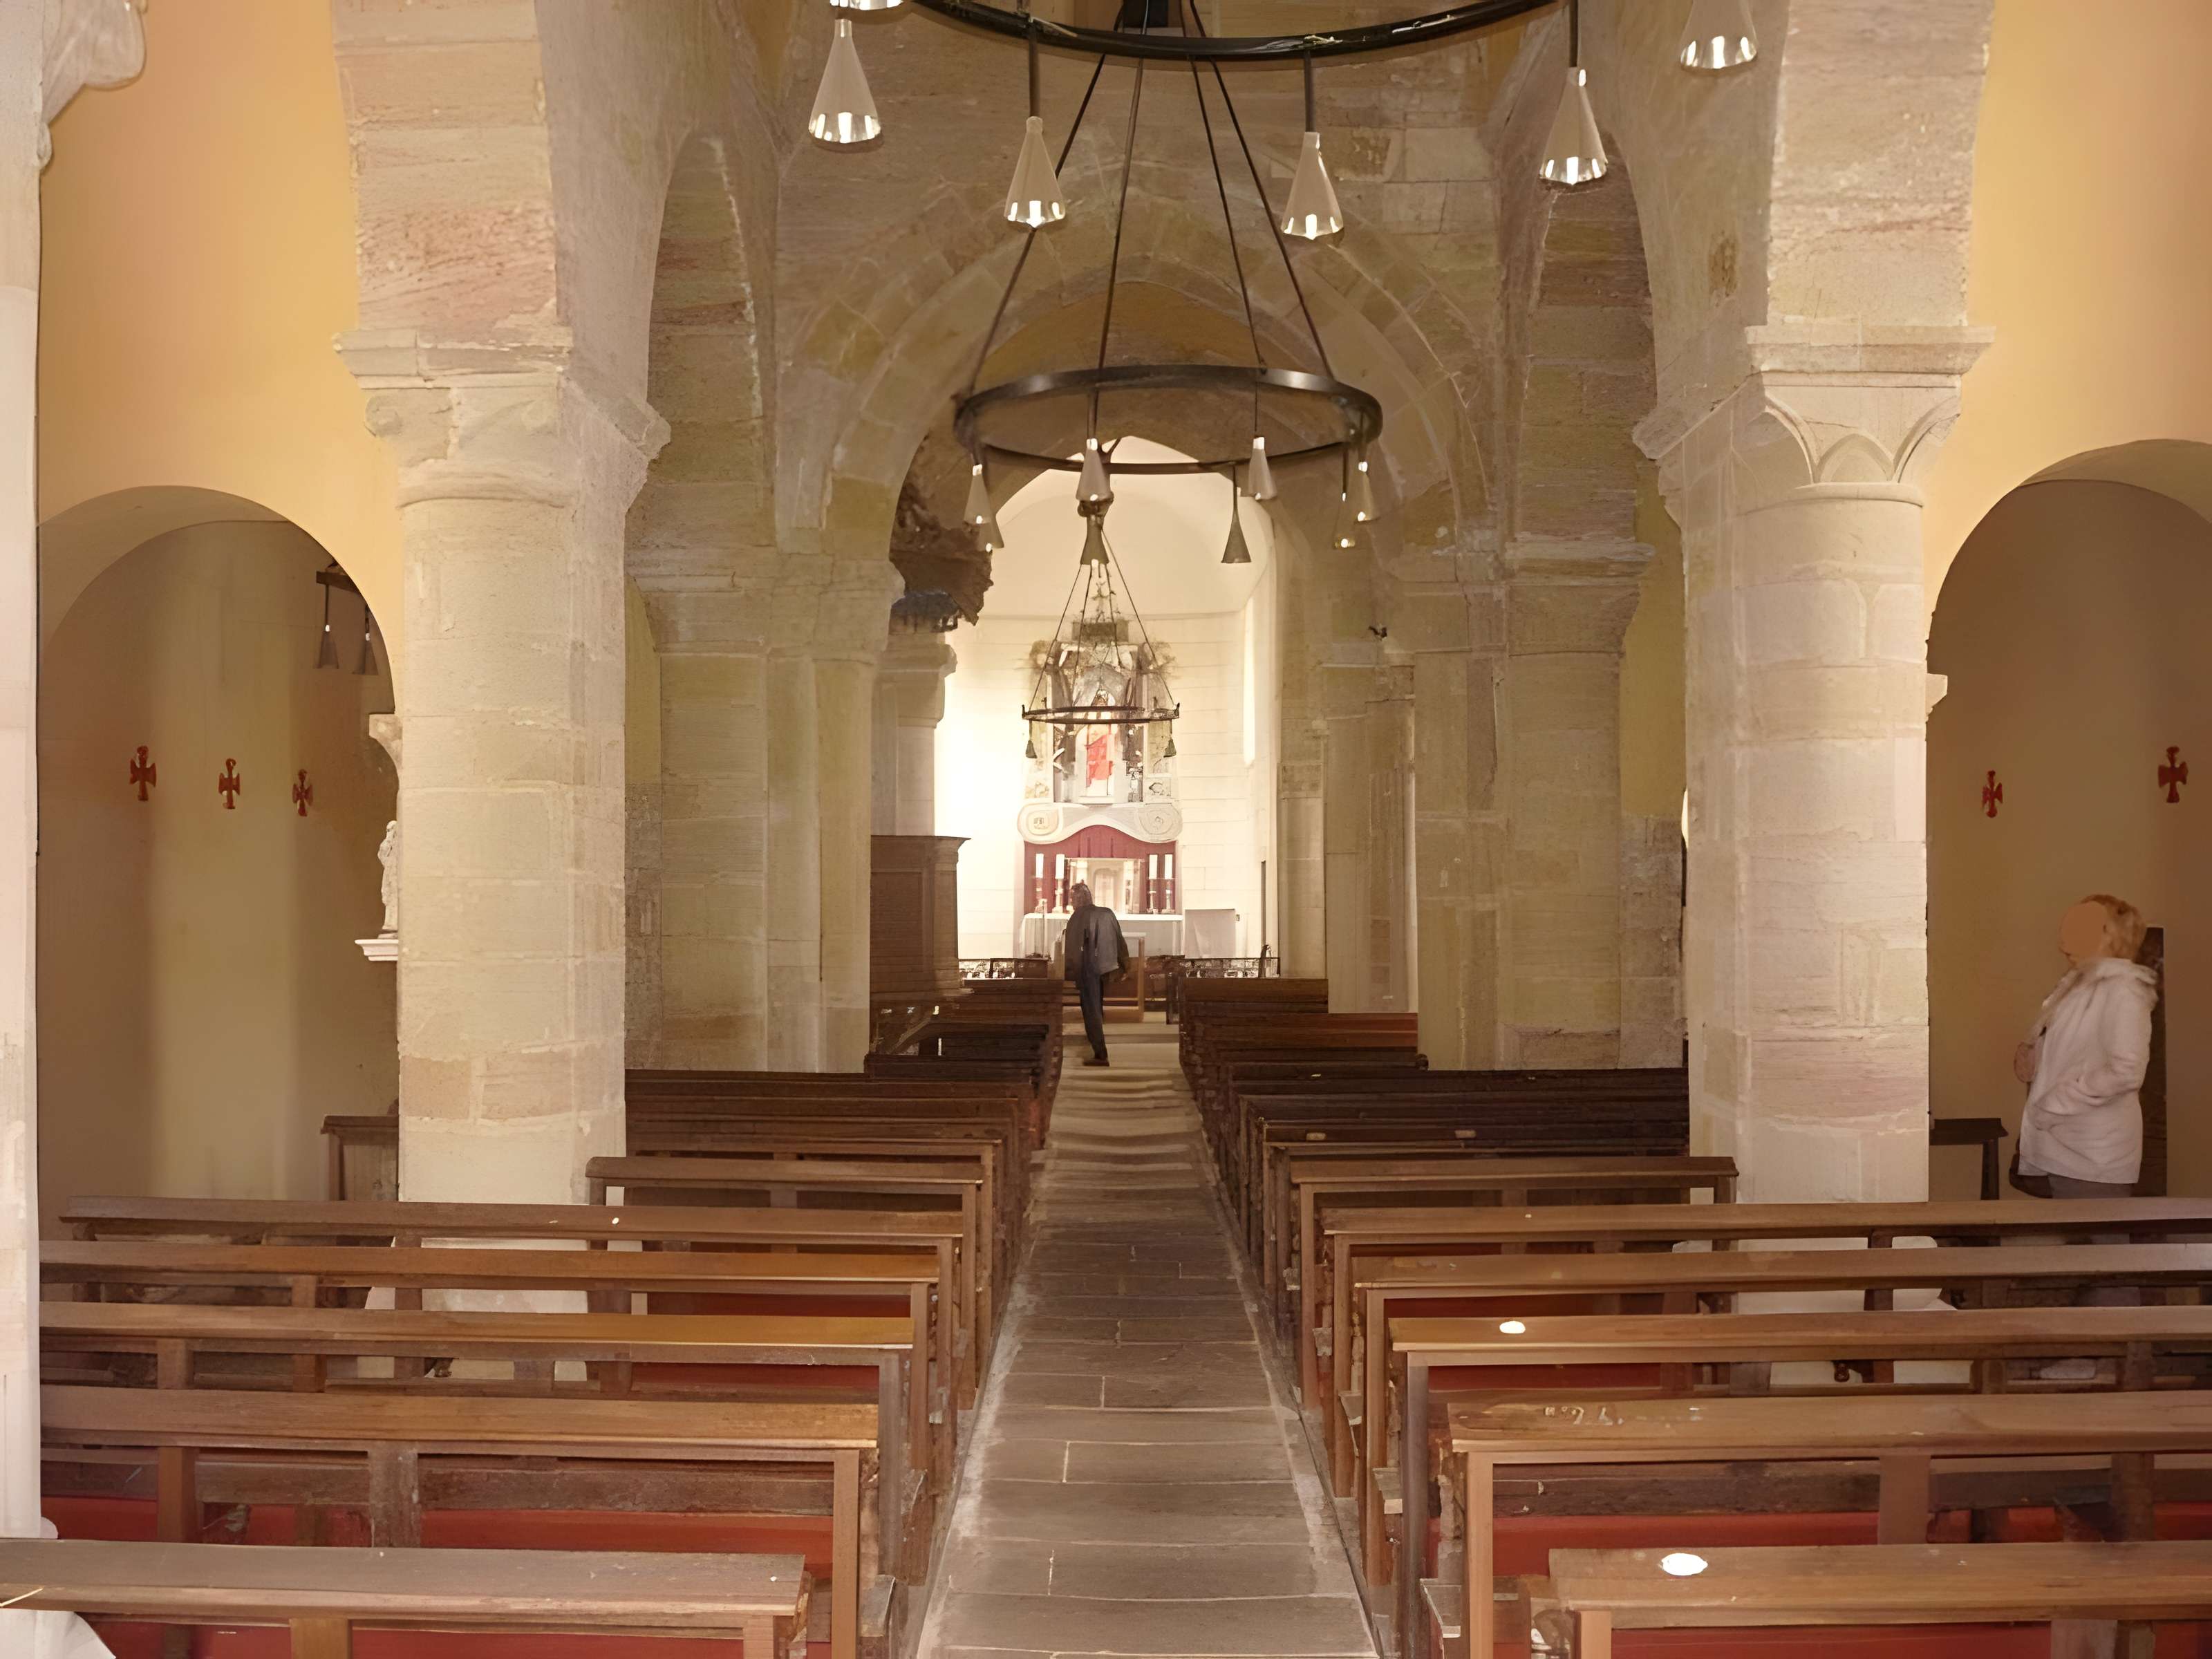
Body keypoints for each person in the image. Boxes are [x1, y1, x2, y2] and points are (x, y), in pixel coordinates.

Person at [2013, 893, 2157, 1320]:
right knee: (2087, 1253)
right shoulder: (2076, 985)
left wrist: (2056, 1102)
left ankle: (2118, 1357)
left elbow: (2126, 1070)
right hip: (2066, 1142)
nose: (2062, 937)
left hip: (2093, 1148)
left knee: (2109, 1261)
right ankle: (2093, 1348)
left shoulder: (2123, 990)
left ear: (2109, 936)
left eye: (2076, 927)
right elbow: (2069, 1051)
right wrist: (2031, 1053)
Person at [1064, 881, 1127, 1069]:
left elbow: (1073, 949)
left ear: (1077, 899)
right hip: (1105, 968)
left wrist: (1069, 972)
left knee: (1090, 1010)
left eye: (1072, 898)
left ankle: (1101, 1054)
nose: (1072, 903)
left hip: (1087, 970)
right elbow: (1120, 941)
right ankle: (1098, 1045)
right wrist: (1123, 966)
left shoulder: (1077, 917)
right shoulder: (1107, 913)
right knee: (1097, 1007)